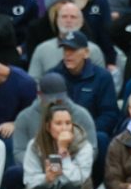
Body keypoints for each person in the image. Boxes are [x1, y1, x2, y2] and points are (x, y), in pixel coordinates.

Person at [51, 29, 119, 169]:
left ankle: (93, 183)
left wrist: (82, 133)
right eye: (65, 50)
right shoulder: (53, 77)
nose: (68, 54)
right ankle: (52, 178)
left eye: (73, 50)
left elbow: (109, 114)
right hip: (56, 132)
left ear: (86, 53)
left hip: (90, 133)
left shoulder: (102, 77)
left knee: (101, 138)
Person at [12, 72, 96, 164]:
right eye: (50, 100)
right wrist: (43, 165)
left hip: (73, 168)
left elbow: (92, 148)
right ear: (40, 95)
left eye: (60, 99)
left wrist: (68, 164)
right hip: (38, 168)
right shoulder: (24, 117)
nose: (55, 103)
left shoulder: (81, 115)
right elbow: (19, 151)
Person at [27, 0, 104, 80]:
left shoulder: (93, 50)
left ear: (82, 22)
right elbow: (33, 82)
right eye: (64, 16)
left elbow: (101, 82)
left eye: (73, 17)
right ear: (56, 20)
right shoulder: (42, 49)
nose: (68, 20)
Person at [66, 0, 116, 66]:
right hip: (67, 52)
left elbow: (106, 33)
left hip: (94, 54)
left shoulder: (101, 1)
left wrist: (110, 61)